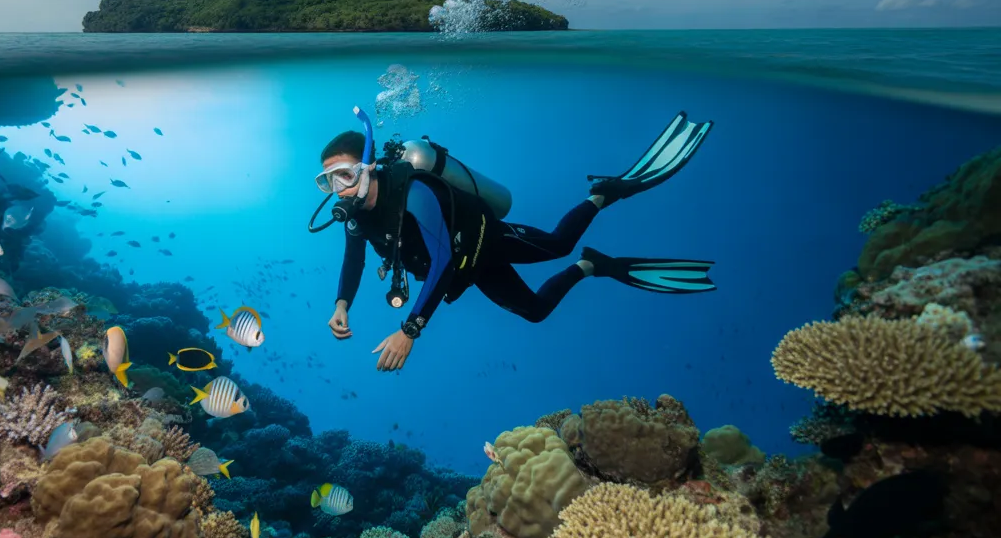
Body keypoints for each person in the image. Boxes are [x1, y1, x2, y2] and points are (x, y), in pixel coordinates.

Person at [308, 107, 719, 372]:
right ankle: (592, 265)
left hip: (486, 243)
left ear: (369, 165)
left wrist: (410, 330)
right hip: (469, 271)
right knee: (536, 311)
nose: (338, 188)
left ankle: (603, 194)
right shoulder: (355, 216)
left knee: (558, 244)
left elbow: (442, 261)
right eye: (328, 181)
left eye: (344, 174)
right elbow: (354, 261)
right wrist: (341, 305)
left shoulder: (413, 193)